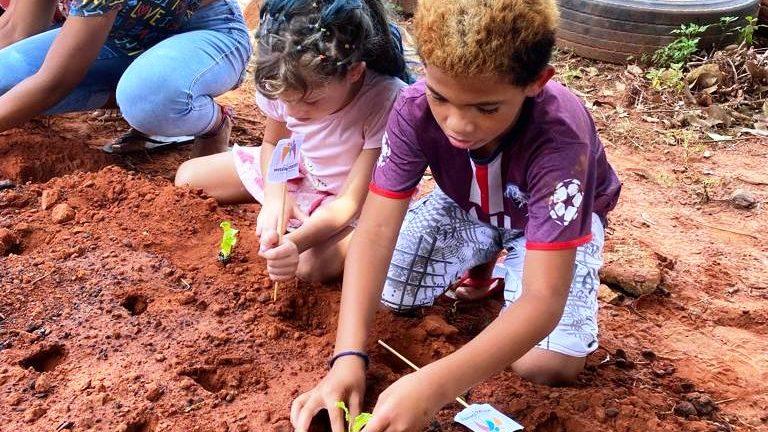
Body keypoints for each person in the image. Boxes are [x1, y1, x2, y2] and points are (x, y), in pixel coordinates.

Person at [290, 0, 623, 431]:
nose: (458, 124)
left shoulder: (559, 137)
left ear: (537, 82)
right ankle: (482, 262)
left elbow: (544, 299)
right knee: (391, 293)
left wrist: (433, 386)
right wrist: (347, 356)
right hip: (467, 206)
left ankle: (500, 263)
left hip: (547, 221)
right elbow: (374, 233)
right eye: (440, 97)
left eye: (486, 108)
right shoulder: (412, 109)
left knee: (546, 363)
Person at [174, 0, 407, 282]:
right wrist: (276, 198)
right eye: (285, 101)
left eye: (310, 101)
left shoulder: (386, 101)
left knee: (306, 267)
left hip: (350, 200)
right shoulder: (284, 78)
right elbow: (273, 144)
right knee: (189, 177)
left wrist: (295, 243)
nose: (294, 113)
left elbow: (349, 203)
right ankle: (291, 212)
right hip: (303, 170)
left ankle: (353, 239)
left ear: (354, 71)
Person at [0, 0, 252, 156]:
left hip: (205, 31)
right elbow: (17, 30)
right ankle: (132, 93)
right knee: (7, 81)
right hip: (114, 38)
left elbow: (54, 81)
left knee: (150, 98)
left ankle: (213, 124)